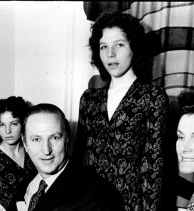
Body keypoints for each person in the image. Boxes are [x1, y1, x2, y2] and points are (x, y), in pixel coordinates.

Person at [73, 11, 169, 210]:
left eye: (120, 44)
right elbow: (79, 159)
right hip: (90, 203)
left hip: (130, 204)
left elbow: (153, 165)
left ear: (134, 47)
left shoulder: (152, 97)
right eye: (103, 47)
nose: (110, 54)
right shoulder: (89, 99)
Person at [17, 103, 124, 211]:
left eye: (54, 138)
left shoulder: (95, 194)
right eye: (36, 139)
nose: (46, 150)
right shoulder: (27, 179)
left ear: (67, 138)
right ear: (25, 143)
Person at [0, 96, 37, 209]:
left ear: (23, 124)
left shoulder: (33, 148)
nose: (7, 131)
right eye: (1, 125)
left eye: (14, 124)